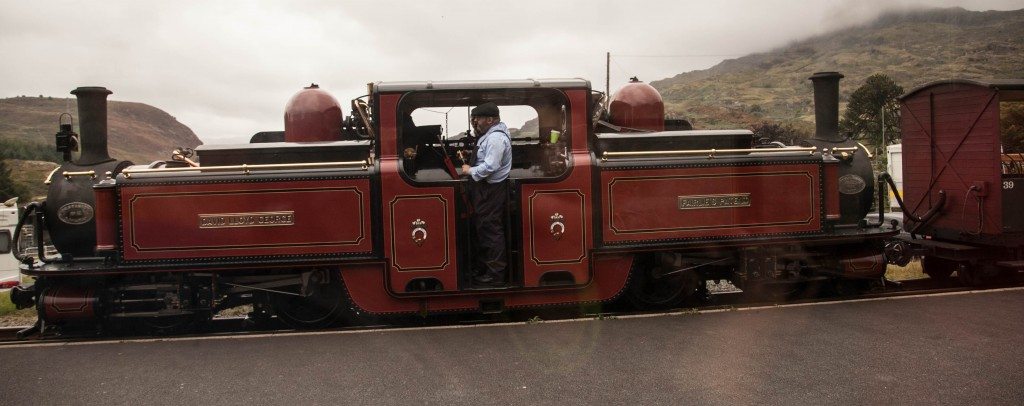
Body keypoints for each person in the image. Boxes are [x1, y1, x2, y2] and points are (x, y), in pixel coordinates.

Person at [461, 102, 512, 287]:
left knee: (491, 230)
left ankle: (496, 275)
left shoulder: (496, 138)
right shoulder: (489, 136)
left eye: (478, 118)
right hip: (487, 189)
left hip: (490, 190)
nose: (476, 122)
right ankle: (487, 269)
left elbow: (491, 166)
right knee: (485, 228)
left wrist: (469, 170)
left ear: (490, 119)